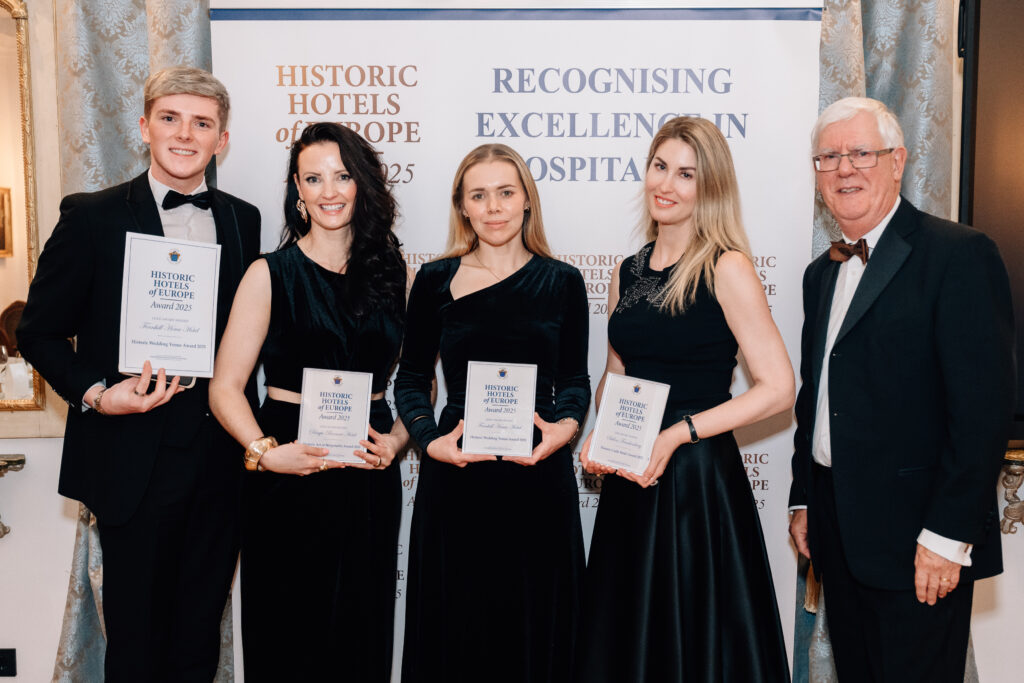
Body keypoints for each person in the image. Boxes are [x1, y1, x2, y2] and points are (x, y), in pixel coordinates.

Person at [16, 67, 260, 681]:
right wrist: (99, 394)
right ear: (145, 126)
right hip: (130, 459)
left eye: (202, 124)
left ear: (221, 140)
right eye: (171, 119)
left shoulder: (243, 220)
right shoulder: (92, 217)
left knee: (200, 634)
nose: (185, 134)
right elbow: (37, 332)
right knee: (135, 640)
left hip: (219, 460)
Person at [788, 97, 1014, 682]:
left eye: (862, 152)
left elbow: (982, 414)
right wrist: (803, 497)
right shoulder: (821, 275)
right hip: (837, 534)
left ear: (898, 162)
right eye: (829, 157)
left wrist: (946, 537)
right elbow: (816, 395)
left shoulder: (958, 255)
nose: (845, 168)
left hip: (920, 542)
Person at [575, 116, 794, 682]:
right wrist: (601, 430)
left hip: (695, 480)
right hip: (631, 475)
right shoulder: (627, 271)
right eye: (659, 166)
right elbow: (616, 372)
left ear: (710, 186)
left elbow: (777, 387)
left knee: (693, 640)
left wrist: (679, 433)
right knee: (631, 633)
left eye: (686, 174)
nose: (666, 184)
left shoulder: (727, 266)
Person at [208, 122, 408, 682]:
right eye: (313, 178)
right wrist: (264, 452)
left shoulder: (394, 273)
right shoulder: (269, 274)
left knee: (362, 628)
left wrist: (394, 441)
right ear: (298, 191)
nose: (329, 191)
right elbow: (225, 387)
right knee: (288, 629)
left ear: (362, 185)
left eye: (342, 176)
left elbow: (419, 381)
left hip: (367, 473)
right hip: (287, 471)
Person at [394, 143, 590, 683]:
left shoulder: (564, 282)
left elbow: (575, 380)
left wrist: (566, 429)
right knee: (457, 633)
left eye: (506, 192)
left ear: (527, 200)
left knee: (535, 633)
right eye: (479, 195)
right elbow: (411, 379)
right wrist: (431, 441)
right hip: (457, 482)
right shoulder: (433, 281)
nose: (494, 207)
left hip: (538, 478)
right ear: (463, 206)